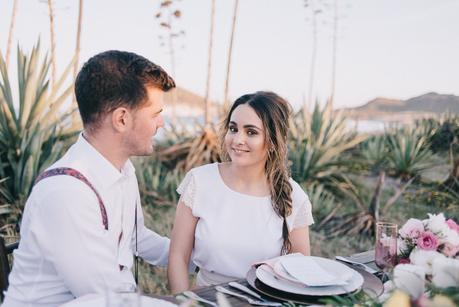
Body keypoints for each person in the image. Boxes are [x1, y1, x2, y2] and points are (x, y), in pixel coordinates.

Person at [3, 50, 175, 306]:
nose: (161, 123)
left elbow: (139, 238)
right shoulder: (66, 193)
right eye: (155, 114)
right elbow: (107, 296)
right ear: (121, 119)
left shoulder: (124, 171)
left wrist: (205, 257)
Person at [168, 91, 314, 293]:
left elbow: (300, 269)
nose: (237, 139)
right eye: (233, 129)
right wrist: (184, 303)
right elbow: (177, 256)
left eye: (251, 132)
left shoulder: (293, 195)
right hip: (207, 299)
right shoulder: (200, 181)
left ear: (272, 142)